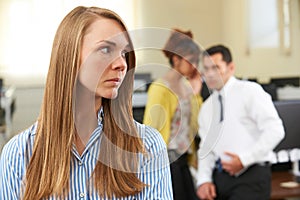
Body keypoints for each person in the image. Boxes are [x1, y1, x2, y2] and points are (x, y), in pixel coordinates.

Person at [0, 6, 173, 200]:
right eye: (105, 49)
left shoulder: (147, 146)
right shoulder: (18, 154)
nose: (122, 64)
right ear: (70, 56)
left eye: (124, 53)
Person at [196, 44, 285, 200]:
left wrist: (244, 160)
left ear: (231, 67)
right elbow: (206, 148)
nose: (210, 74)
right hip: (221, 178)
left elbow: (275, 130)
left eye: (215, 67)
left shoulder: (250, 91)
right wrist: (204, 180)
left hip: (251, 176)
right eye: (206, 68)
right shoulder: (206, 108)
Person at [143, 28, 202, 200]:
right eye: (191, 61)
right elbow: (150, 131)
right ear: (176, 59)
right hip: (167, 160)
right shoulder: (160, 88)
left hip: (183, 158)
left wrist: (195, 94)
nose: (195, 66)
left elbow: (196, 123)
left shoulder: (186, 87)